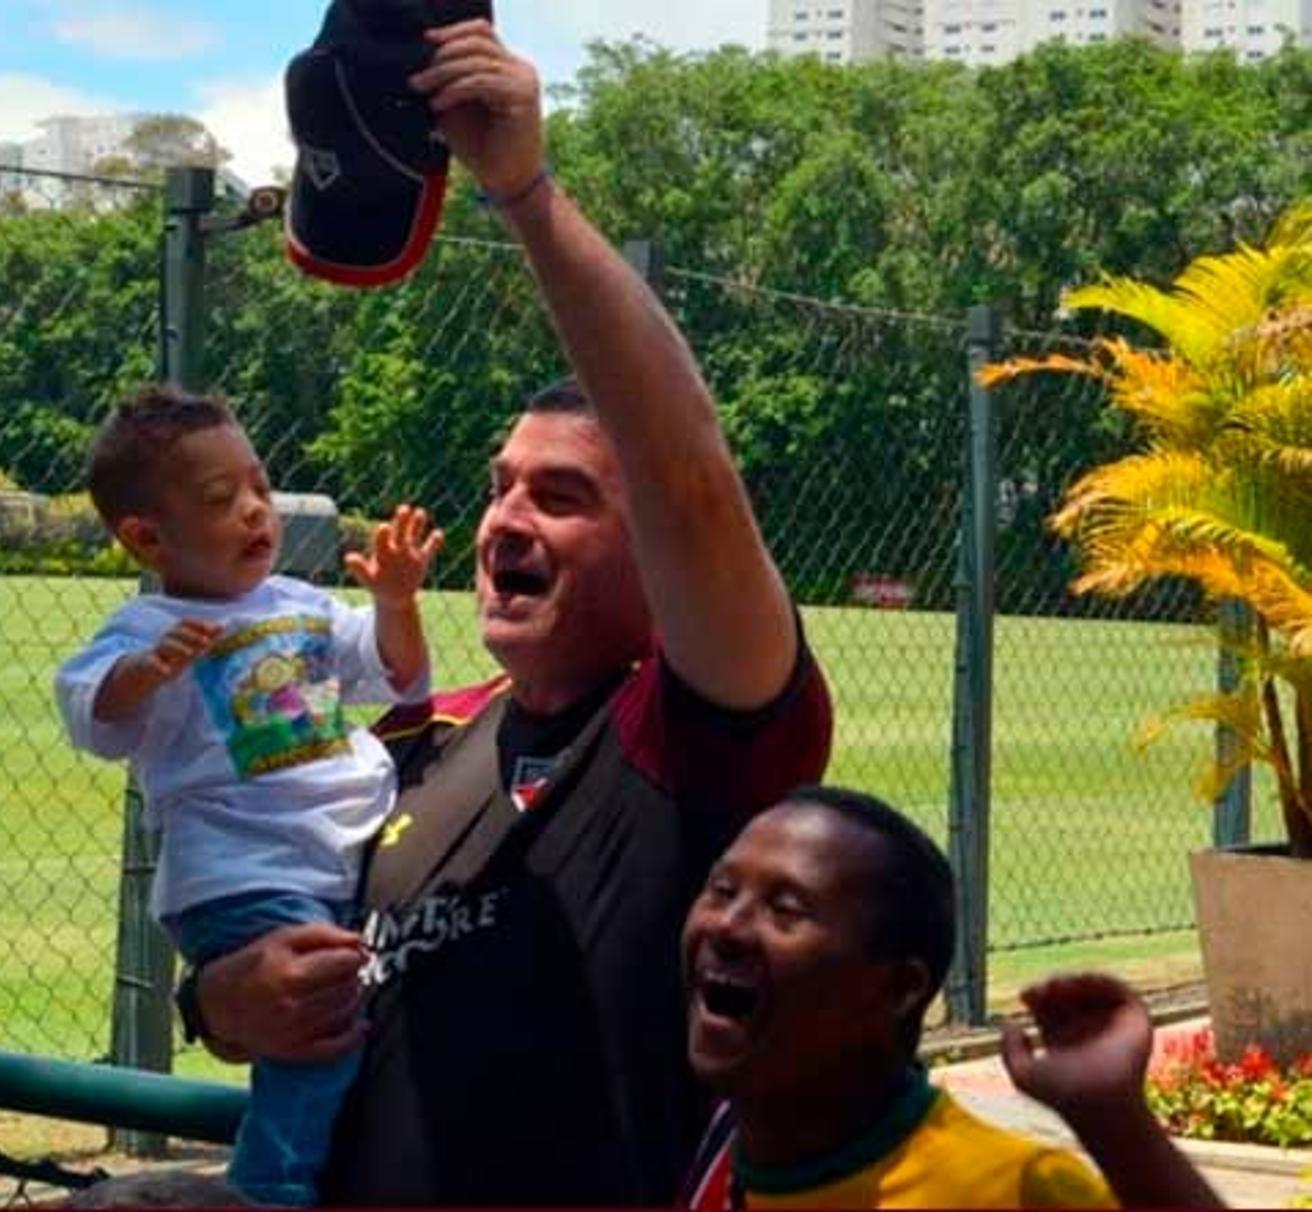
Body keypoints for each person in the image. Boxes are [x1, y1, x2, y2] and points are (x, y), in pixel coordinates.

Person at [181, 18, 835, 1206]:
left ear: (656, 554)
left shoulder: (693, 739)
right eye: (498, 489)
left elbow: (687, 473)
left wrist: (524, 193)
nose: (504, 523)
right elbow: (283, 957)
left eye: (563, 496)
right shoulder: (422, 745)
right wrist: (219, 1001)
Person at [54, 386, 443, 1205]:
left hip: (333, 863)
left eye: (260, 487)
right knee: (319, 1032)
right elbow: (91, 711)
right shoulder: (145, 628)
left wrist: (396, 603)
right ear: (146, 536)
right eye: (220, 499)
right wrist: (147, 672)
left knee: (354, 1022)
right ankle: (271, 1189)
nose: (256, 512)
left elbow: (396, 672)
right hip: (241, 875)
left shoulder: (300, 606)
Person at [679, 787, 1222, 1209]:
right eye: (722, 890)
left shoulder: (1010, 1189)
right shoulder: (725, 1148)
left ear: (897, 989)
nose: (727, 926)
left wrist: (1116, 1125)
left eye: (786, 910)